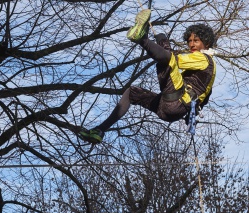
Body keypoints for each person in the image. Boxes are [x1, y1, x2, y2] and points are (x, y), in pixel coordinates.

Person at [79, 9, 216, 144]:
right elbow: (205, 97)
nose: (191, 44)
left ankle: (142, 39)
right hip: (167, 109)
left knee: (169, 61)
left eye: (196, 41)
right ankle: (100, 130)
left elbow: (173, 59)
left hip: (177, 102)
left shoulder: (203, 58)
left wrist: (163, 41)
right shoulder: (209, 69)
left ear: (207, 43)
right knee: (132, 93)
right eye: (189, 41)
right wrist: (191, 116)